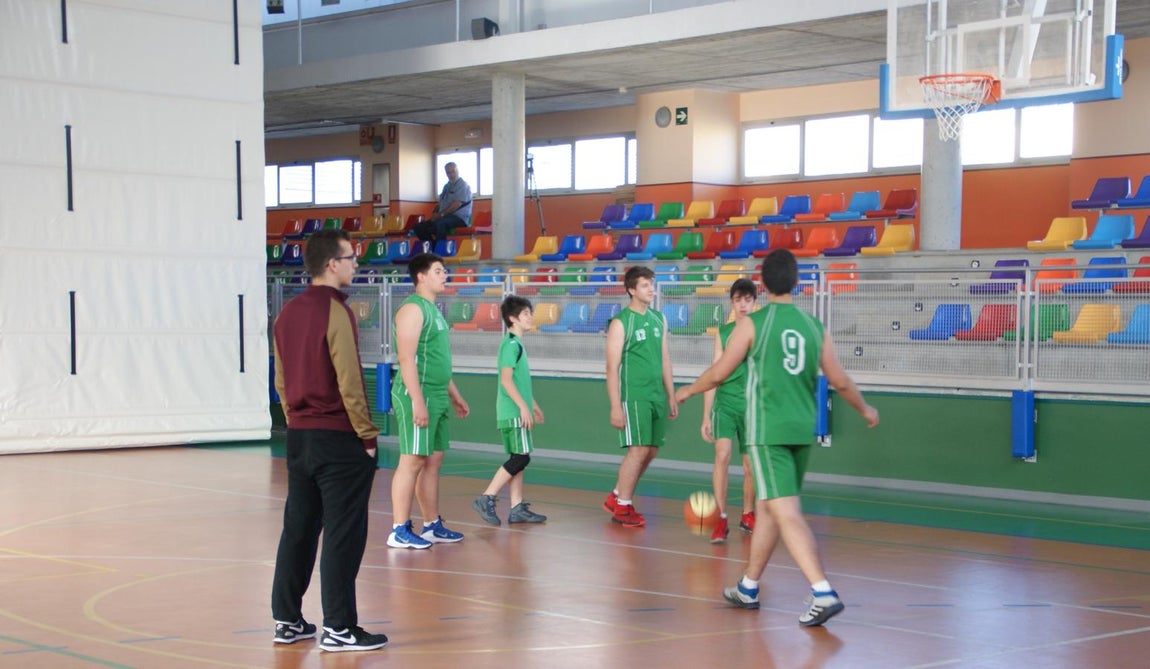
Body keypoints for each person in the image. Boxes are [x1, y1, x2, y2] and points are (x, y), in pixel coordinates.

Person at [674, 249, 879, 627]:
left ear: (763, 285)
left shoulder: (753, 325)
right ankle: (749, 586)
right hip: (802, 431)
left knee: (785, 511)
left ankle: (822, 591)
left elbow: (720, 372)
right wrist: (865, 409)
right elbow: (840, 380)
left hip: (767, 432)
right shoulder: (814, 326)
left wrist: (687, 390)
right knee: (769, 506)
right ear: (796, 281)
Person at [271, 229, 388, 652]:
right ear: (331, 264)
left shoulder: (286, 314)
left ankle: (286, 620)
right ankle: (339, 627)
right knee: (343, 533)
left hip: (300, 437)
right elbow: (350, 380)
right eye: (351, 258)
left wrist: (297, 420)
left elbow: (282, 381)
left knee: (298, 529)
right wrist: (366, 434)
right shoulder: (336, 311)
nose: (355, 264)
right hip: (337, 437)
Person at [387, 252, 471, 549]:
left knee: (433, 459)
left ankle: (431, 524)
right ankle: (398, 528)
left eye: (444, 270)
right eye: (438, 270)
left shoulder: (435, 311)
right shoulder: (412, 309)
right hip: (417, 392)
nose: (444, 274)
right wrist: (417, 401)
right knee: (412, 460)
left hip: (436, 392)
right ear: (421, 276)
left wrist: (455, 395)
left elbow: (435, 360)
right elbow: (406, 358)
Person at [602, 265, 677, 527]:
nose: (651, 289)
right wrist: (615, 406)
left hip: (657, 395)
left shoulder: (659, 319)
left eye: (651, 284)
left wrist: (671, 394)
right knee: (639, 449)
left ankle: (616, 495)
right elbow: (612, 368)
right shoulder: (621, 322)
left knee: (651, 450)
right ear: (632, 290)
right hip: (635, 396)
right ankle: (623, 507)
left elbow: (665, 358)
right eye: (645, 285)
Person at [471, 296, 548, 526]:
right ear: (512, 319)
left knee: (518, 457)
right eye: (525, 314)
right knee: (521, 458)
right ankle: (487, 497)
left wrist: (532, 404)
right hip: (512, 411)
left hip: (516, 409)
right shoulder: (511, 345)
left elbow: (518, 381)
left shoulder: (516, 344)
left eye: (530, 313)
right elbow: (506, 380)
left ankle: (516, 508)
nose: (529, 317)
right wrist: (523, 407)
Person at [699, 278, 758, 544]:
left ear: (755, 302)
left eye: (747, 300)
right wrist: (706, 415)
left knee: (749, 465)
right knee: (722, 456)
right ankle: (721, 518)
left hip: (752, 407)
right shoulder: (723, 333)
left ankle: (748, 514)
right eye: (738, 300)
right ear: (732, 303)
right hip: (726, 404)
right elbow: (714, 374)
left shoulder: (761, 332)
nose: (743, 305)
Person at [414, 162, 472, 243]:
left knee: (439, 224)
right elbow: (441, 203)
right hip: (444, 217)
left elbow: (456, 204)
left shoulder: (463, 185)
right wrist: (435, 213)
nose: (451, 174)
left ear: (458, 171)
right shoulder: (446, 187)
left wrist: (441, 214)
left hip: (459, 218)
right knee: (419, 227)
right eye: (448, 172)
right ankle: (432, 248)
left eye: (453, 171)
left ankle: (441, 252)